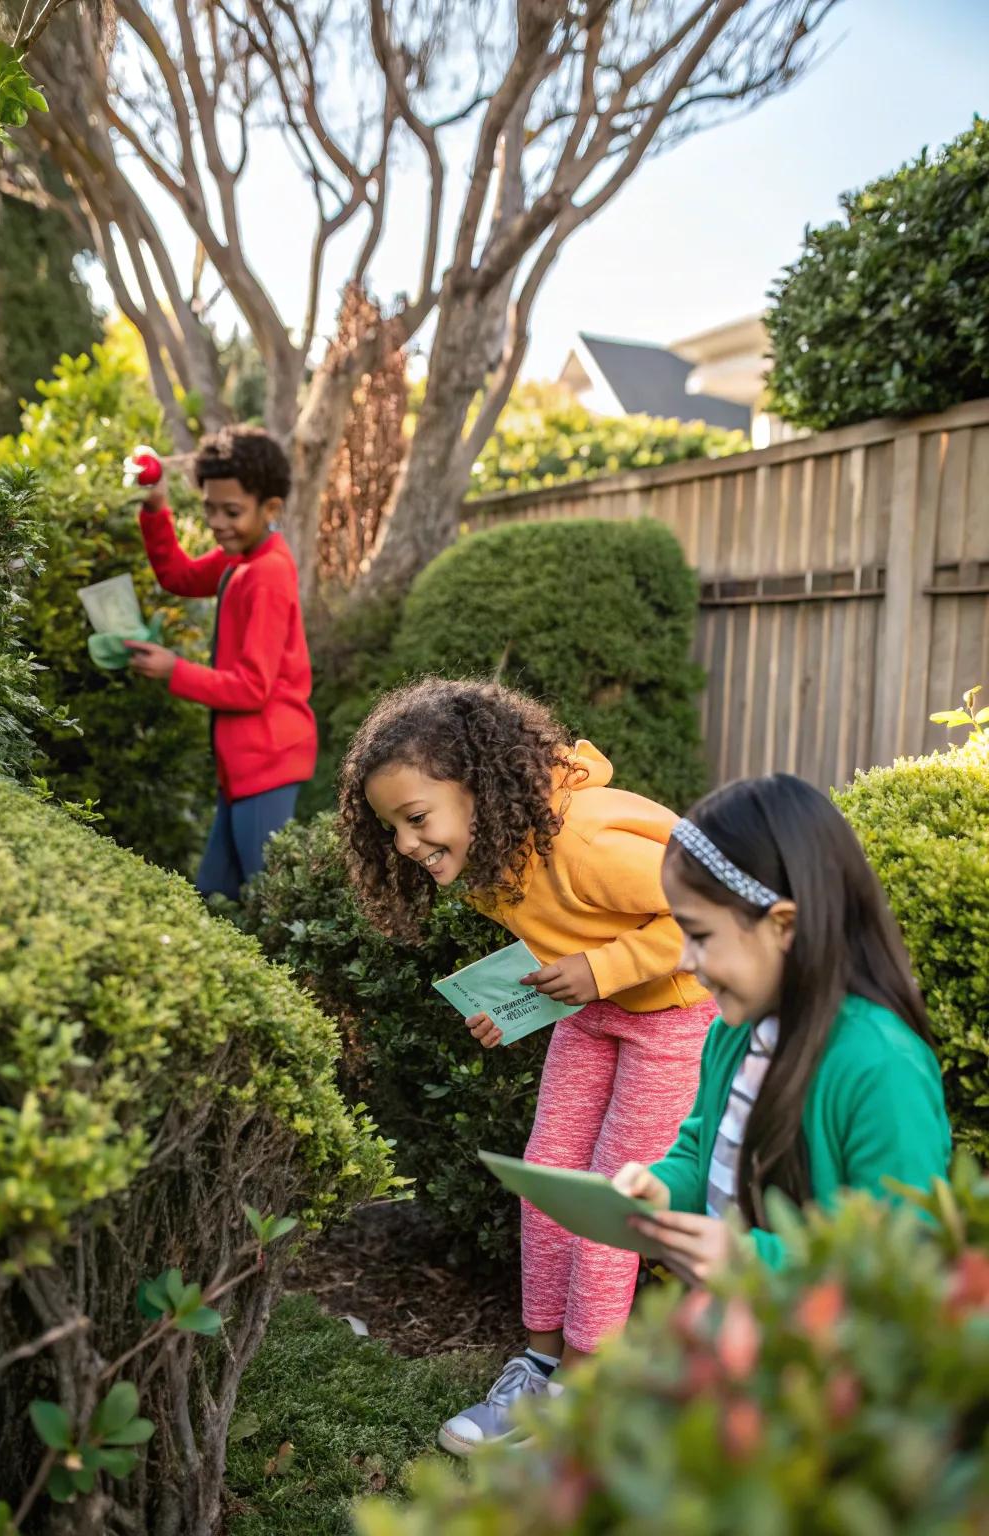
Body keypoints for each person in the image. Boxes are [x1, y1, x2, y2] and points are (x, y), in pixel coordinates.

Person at [339, 678, 716, 1456]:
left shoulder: (584, 841)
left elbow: (712, 914)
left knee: (609, 1200)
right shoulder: (495, 857)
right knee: (548, 1177)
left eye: (417, 819)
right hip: (596, 1016)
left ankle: (582, 1387)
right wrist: (519, 1002)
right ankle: (541, 1359)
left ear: (478, 789)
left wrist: (601, 970)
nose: (406, 844)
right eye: (393, 829)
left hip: (678, 1018)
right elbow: (565, 936)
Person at [613, 773, 951, 1280]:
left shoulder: (881, 1067)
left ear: (784, 926)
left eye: (701, 934)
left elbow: (905, 1260)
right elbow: (702, 1148)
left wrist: (752, 1262)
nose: (685, 959)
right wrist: (660, 1189)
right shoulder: (731, 1034)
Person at [126, 425, 317, 900]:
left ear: (270, 509)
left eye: (231, 511)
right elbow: (178, 575)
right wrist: (155, 507)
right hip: (242, 765)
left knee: (267, 902)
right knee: (214, 892)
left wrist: (175, 670)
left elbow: (253, 687)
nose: (217, 522)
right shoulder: (241, 557)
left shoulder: (267, 573)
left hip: (267, 762)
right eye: (209, 507)